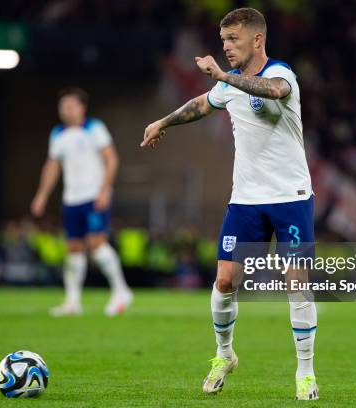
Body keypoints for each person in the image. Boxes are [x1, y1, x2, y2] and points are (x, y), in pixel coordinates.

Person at [141, 8, 319, 400]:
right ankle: (224, 354)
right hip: (246, 201)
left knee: (296, 284)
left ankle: (305, 372)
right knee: (224, 281)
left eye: (233, 40)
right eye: (223, 41)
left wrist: (225, 77)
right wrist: (162, 123)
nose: (226, 48)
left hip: (290, 198)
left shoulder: (282, 73)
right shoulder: (228, 85)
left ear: (257, 40)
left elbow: (274, 91)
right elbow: (201, 105)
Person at [32, 87, 133, 317]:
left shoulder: (94, 128)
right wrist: (42, 195)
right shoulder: (57, 133)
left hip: (93, 195)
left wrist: (105, 190)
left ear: (81, 108)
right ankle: (72, 301)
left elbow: (111, 159)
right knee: (73, 247)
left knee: (96, 244)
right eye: (63, 105)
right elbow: (52, 166)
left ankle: (121, 291)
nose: (66, 110)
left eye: (71, 105)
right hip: (71, 199)